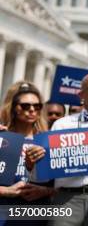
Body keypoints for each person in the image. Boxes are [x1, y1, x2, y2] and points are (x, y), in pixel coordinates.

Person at [26, 72, 88, 226]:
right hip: (66, 200)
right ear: (81, 94)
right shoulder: (61, 125)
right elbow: (45, 175)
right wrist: (32, 164)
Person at [0, 82, 54, 224]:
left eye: (37, 106)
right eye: (25, 106)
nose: (31, 110)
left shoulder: (48, 140)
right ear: (13, 108)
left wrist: (44, 191)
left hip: (36, 211)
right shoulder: (2, 138)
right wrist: (5, 191)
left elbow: (63, 186)